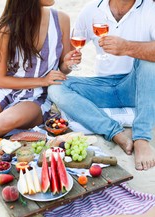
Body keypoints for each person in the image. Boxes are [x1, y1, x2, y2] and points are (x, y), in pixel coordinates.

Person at [48, 0, 155, 171]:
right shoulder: (91, 9)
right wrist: (68, 63)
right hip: (103, 87)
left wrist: (127, 47)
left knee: (150, 63)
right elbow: (66, 65)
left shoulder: (150, 8)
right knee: (56, 86)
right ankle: (116, 133)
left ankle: (141, 138)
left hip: (136, 85)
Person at [0, 0, 80, 141]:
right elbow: (0, 80)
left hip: (37, 97)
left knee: (5, 122)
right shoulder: (6, 29)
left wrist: (68, 63)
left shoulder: (61, 20)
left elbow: (63, 69)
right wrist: (42, 80)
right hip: (4, 89)